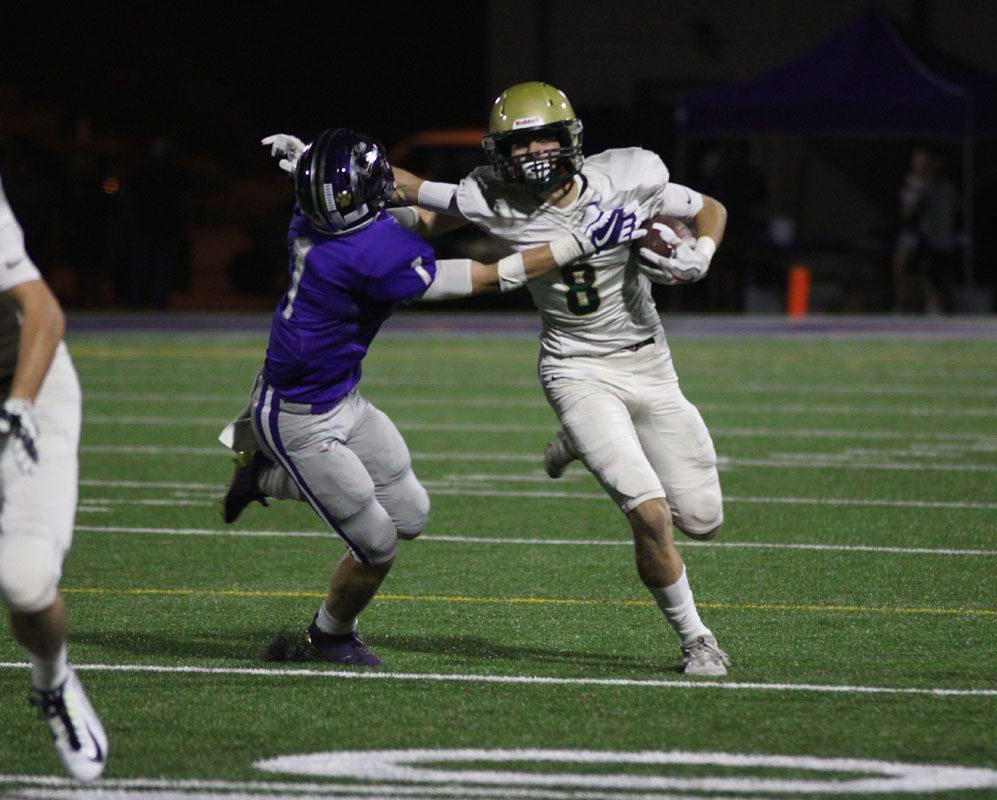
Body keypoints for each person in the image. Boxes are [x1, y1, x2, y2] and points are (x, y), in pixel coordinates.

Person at [269, 83, 731, 676]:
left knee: (703, 521)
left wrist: (703, 253)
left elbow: (709, 208)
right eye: (520, 143)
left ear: (572, 139)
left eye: (544, 138)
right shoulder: (492, 197)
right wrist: (318, 164)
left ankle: (583, 444)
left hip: (649, 362)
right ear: (499, 152)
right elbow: (400, 186)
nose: (534, 154)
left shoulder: (631, 173)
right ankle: (698, 641)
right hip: (575, 367)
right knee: (651, 516)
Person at [220, 128, 641, 666]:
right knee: (376, 543)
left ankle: (260, 475)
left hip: (339, 395)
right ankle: (328, 635)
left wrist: (311, 160)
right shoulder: (366, 254)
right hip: (297, 418)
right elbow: (490, 276)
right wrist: (577, 241)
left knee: (411, 514)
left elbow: (411, 214)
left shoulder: (311, 217)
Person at [0, 131, 107, 778]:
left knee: (26, 581)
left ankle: (53, 680)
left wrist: (17, 406)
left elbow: (42, 311)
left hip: (25, 386)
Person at [892, 147, 959, 313]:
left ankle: (934, 305)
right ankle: (902, 304)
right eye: (918, 161)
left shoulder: (935, 185)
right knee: (901, 265)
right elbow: (906, 211)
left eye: (924, 162)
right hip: (911, 231)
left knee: (928, 271)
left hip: (930, 234)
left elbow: (950, 207)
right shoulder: (909, 183)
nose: (921, 165)